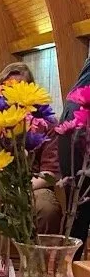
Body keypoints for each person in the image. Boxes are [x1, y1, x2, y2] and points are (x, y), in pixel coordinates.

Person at [0, 62, 62, 234]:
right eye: (7, 91)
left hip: (34, 186)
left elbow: (50, 174)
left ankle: (40, 258)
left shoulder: (47, 123)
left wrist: (21, 189)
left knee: (46, 209)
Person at [59, 57, 90, 259]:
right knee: (78, 211)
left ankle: (66, 272)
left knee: (76, 212)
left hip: (75, 123)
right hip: (79, 122)